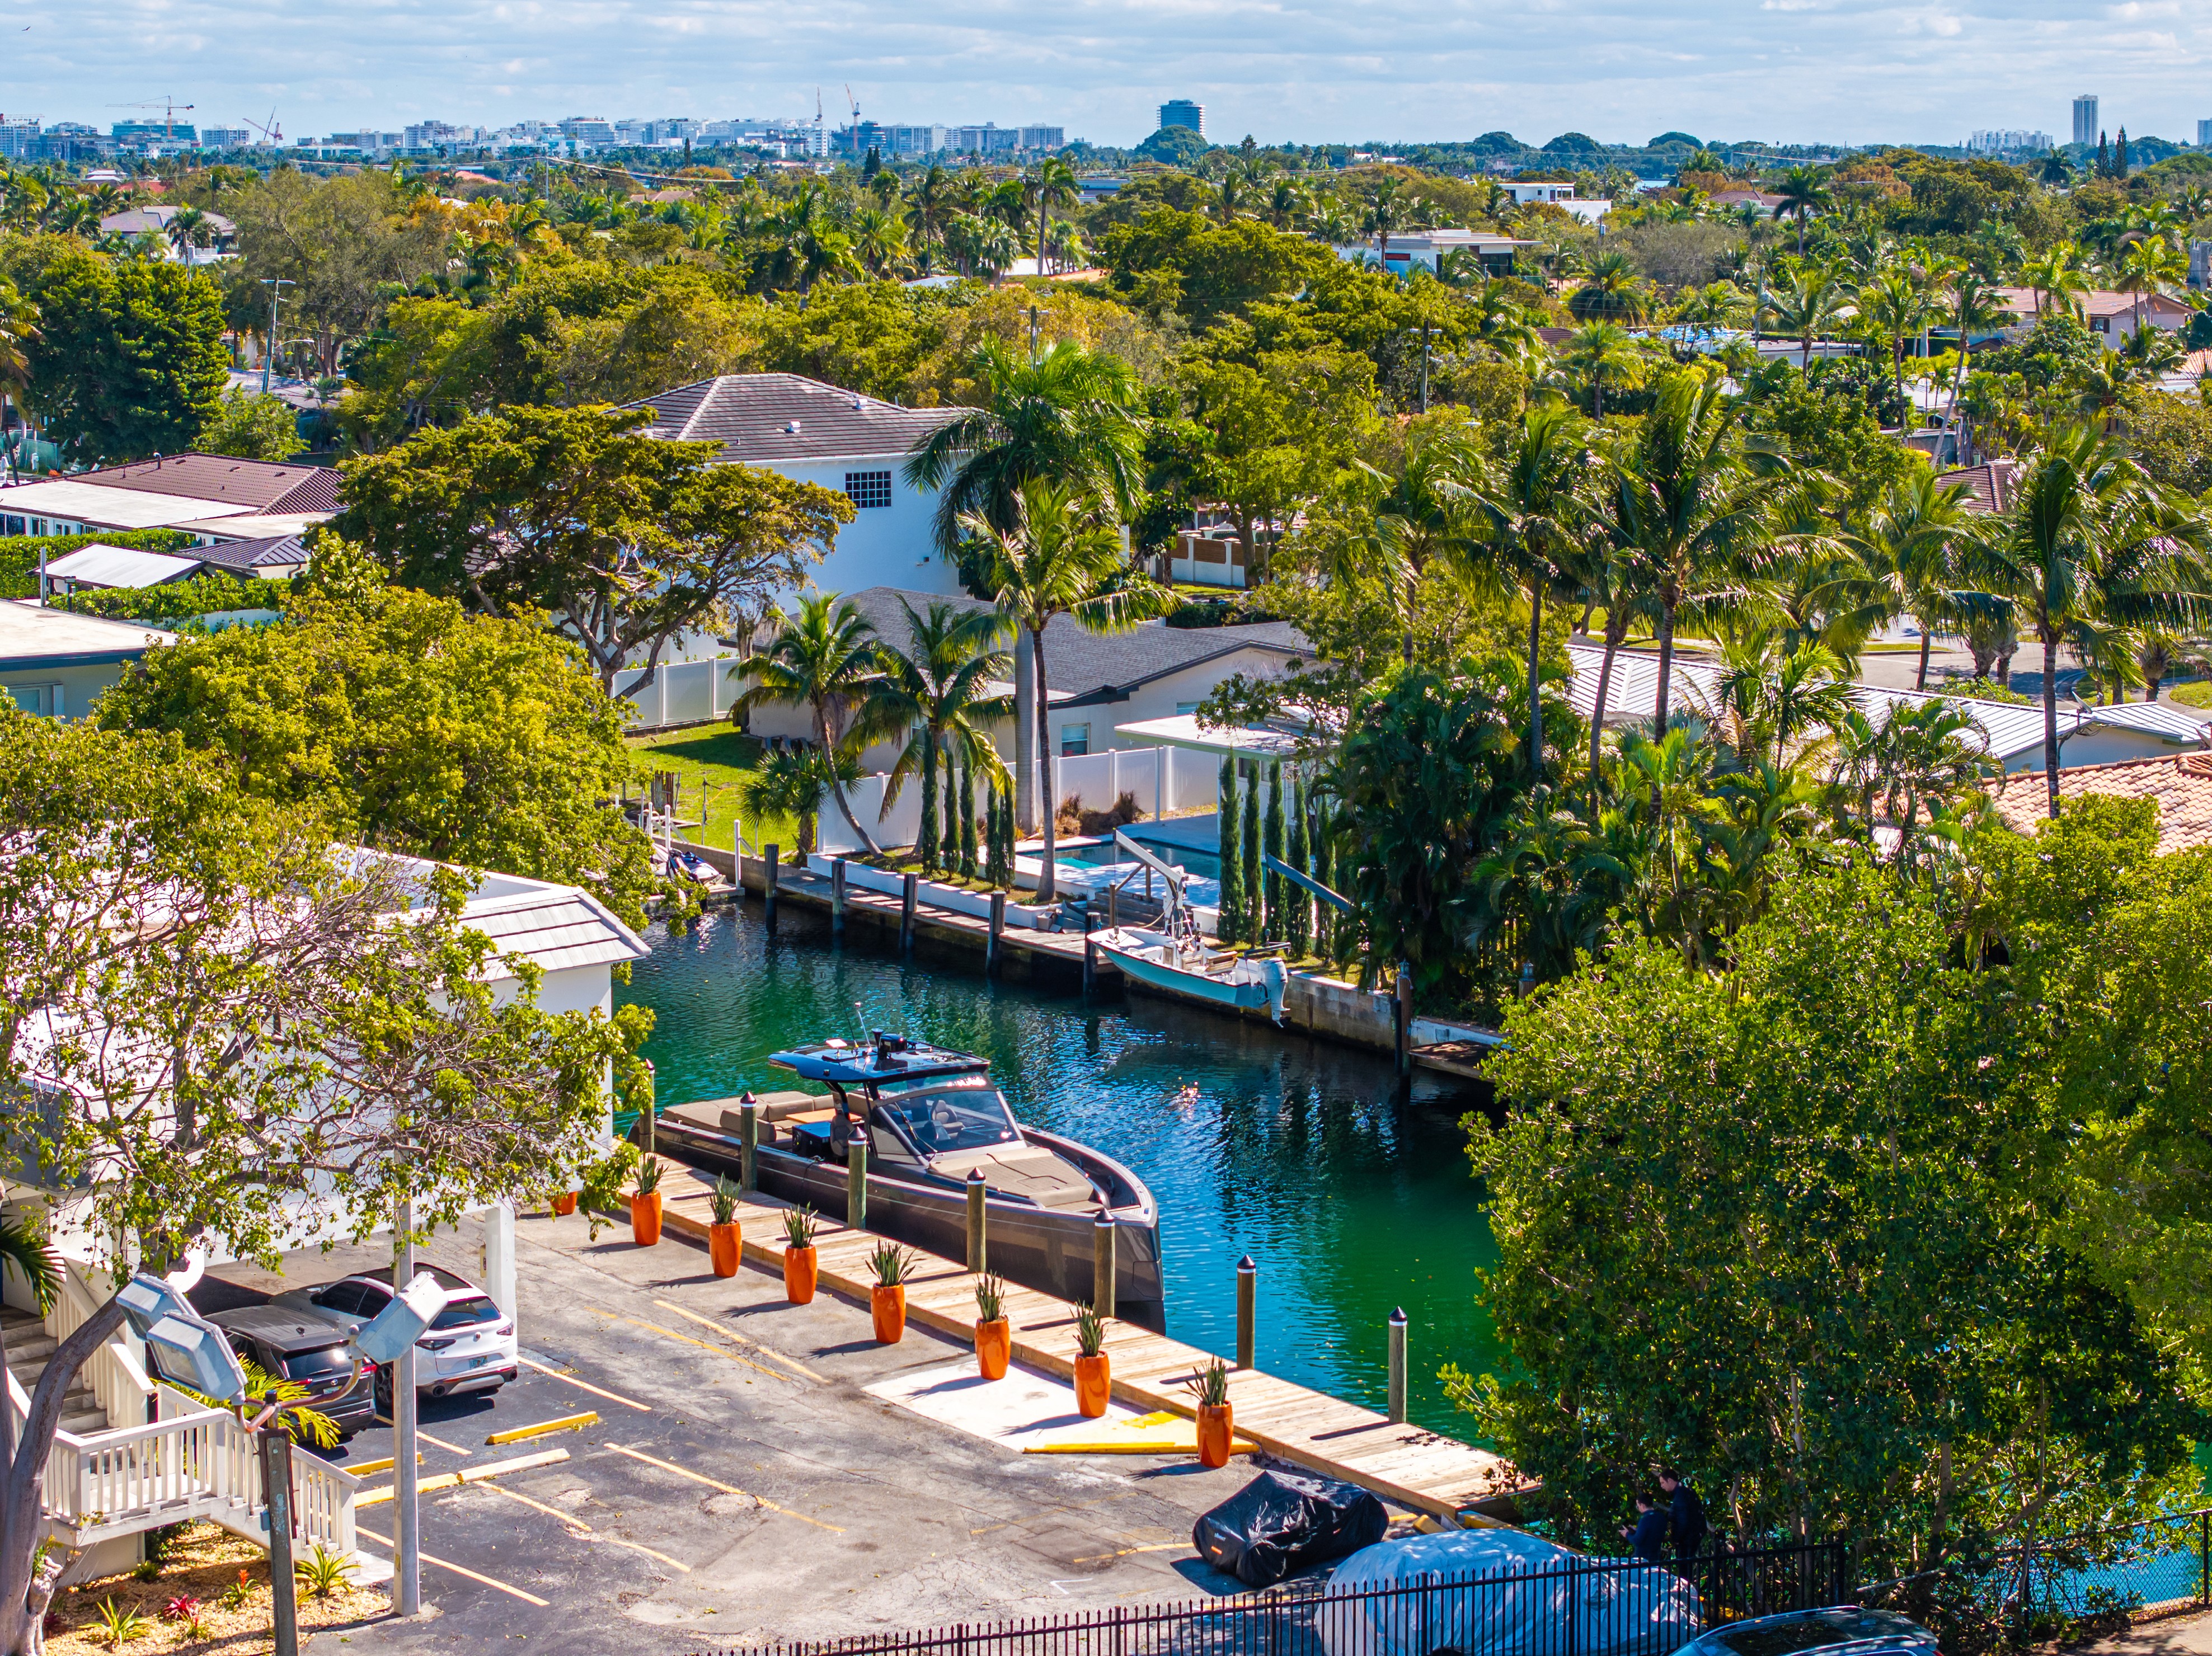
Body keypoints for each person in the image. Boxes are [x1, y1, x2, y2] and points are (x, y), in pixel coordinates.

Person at [1660, 1470, 1707, 1560]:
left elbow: (1683, 1520)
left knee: (1684, 1568)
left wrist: (1677, 1539)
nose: (1662, 1486)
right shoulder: (1686, 1491)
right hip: (1693, 1535)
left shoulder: (1681, 1496)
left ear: (1669, 1480)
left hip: (1687, 1539)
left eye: (1663, 1483)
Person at [1621, 1493, 1669, 1563]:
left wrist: (1627, 1534)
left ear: (1642, 1506)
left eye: (1638, 1506)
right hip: (1656, 1556)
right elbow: (1651, 1533)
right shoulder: (1661, 1517)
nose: (1638, 1509)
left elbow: (1637, 1540)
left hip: (1643, 1559)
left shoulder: (1645, 1519)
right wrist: (1637, 1531)